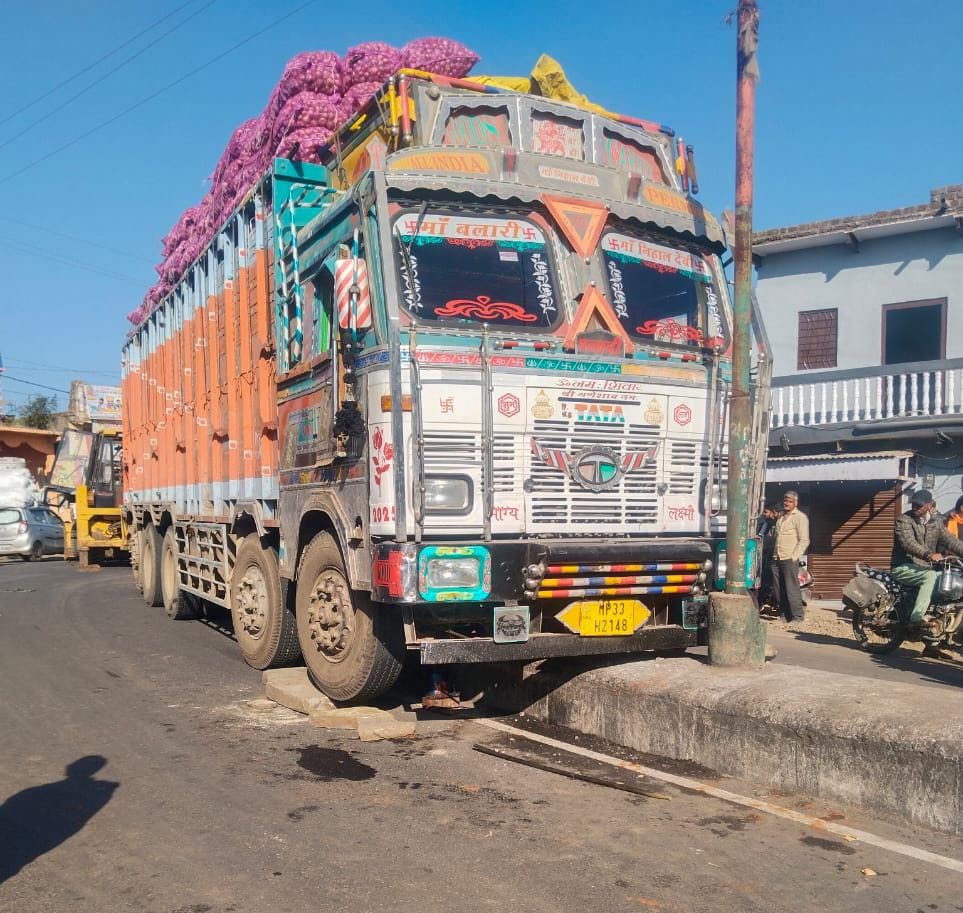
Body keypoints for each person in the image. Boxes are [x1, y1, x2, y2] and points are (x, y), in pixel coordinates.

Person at [891, 489, 963, 632]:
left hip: (924, 568)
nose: (915, 508)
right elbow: (908, 543)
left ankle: (932, 643)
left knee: (945, 589)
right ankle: (916, 619)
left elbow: (950, 540)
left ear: (929, 505)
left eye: (919, 505)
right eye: (914, 505)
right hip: (902, 567)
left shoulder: (936, 523)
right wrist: (929, 555)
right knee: (930, 576)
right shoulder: (904, 520)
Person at [771, 490, 810, 623]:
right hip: (777, 558)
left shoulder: (800, 517)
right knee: (778, 589)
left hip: (789, 558)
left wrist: (794, 557)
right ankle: (784, 615)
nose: (787, 503)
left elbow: (804, 540)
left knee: (791, 588)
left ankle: (797, 616)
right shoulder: (781, 517)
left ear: (795, 503)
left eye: (790, 501)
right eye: (785, 500)